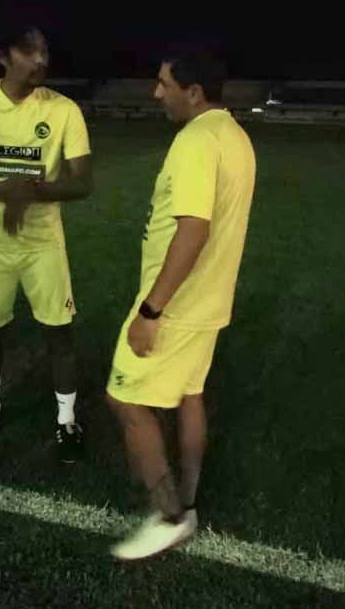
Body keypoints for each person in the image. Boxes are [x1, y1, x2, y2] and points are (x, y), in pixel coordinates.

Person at [106, 46, 256, 560]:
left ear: (193, 93)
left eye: (164, 84)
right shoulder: (234, 134)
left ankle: (168, 517)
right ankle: (186, 505)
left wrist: (151, 311)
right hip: (210, 303)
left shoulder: (195, 140)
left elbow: (193, 229)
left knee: (125, 398)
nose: (155, 93)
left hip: (178, 305)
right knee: (190, 396)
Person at [0, 17, 94, 463]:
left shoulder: (63, 109)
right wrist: (0, 192)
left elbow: (83, 183)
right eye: (29, 51)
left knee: (59, 332)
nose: (41, 59)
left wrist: (32, 191)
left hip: (44, 242)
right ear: (3, 56)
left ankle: (66, 420)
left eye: (44, 50)